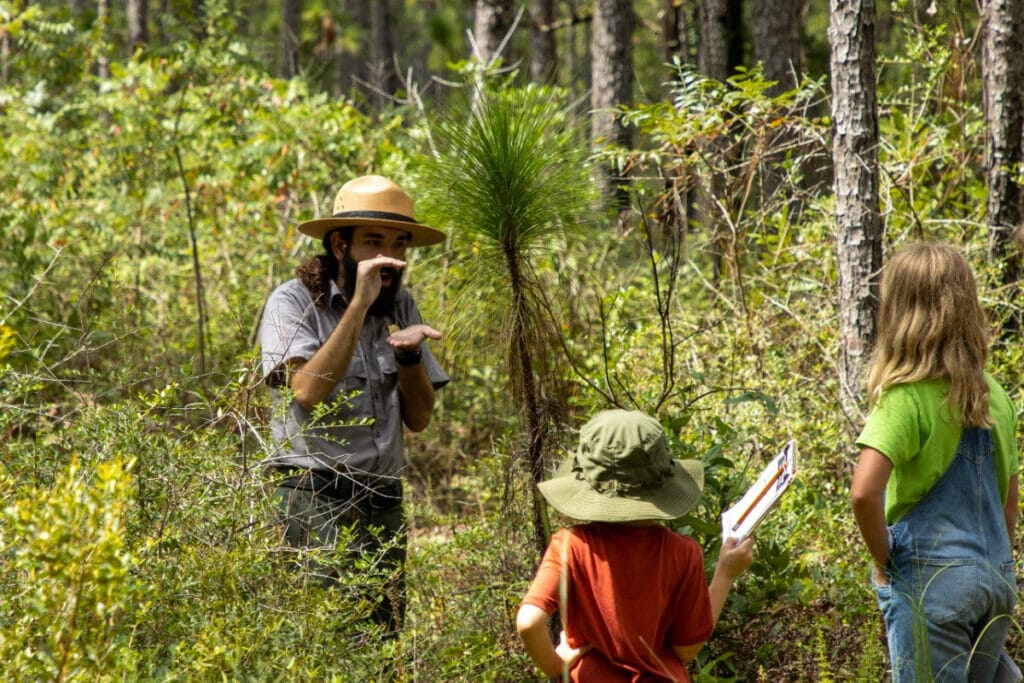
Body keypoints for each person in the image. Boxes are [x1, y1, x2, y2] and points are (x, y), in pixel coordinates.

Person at [258, 174, 449, 634]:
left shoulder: (402, 305)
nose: (391, 257)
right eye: (375, 241)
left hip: (383, 499)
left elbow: (420, 418)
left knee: (381, 641)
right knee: (320, 640)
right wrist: (357, 307)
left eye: (400, 244)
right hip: (314, 496)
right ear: (340, 246)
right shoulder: (293, 301)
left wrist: (408, 357)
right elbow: (306, 390)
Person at [850, 242, 1020, 682]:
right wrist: (992, 566)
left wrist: (885, 561)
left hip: (933, 583)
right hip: (995, 583)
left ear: (899, 311)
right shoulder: (995, 395)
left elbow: (864, 492)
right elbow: (1008, 503)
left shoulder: (905, 399)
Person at [516, 409, 755, 680]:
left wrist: (555, 665)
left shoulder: (570, 545)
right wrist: (725, 574)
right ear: (664, 484)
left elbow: (528, 622)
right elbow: (686, 650)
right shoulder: (683, 552)